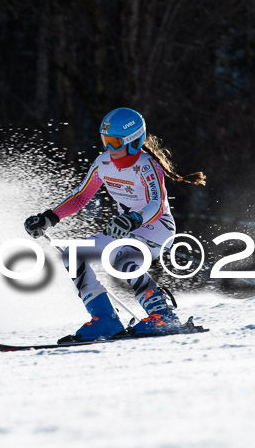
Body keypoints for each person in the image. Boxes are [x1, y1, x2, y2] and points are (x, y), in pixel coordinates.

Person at [24, 107, 206, 342]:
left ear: (133, 142)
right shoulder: (103, 164)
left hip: (157, 227)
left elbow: (156, 204)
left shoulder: (146, 165)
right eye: (105, 141)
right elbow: (81, 197)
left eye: (115, 142)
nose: (109, 148)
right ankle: (104, 319)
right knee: (73, 254)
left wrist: (133, 219)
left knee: (122, 256)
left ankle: (162, 315)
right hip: (124, 228)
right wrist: (49, 217)